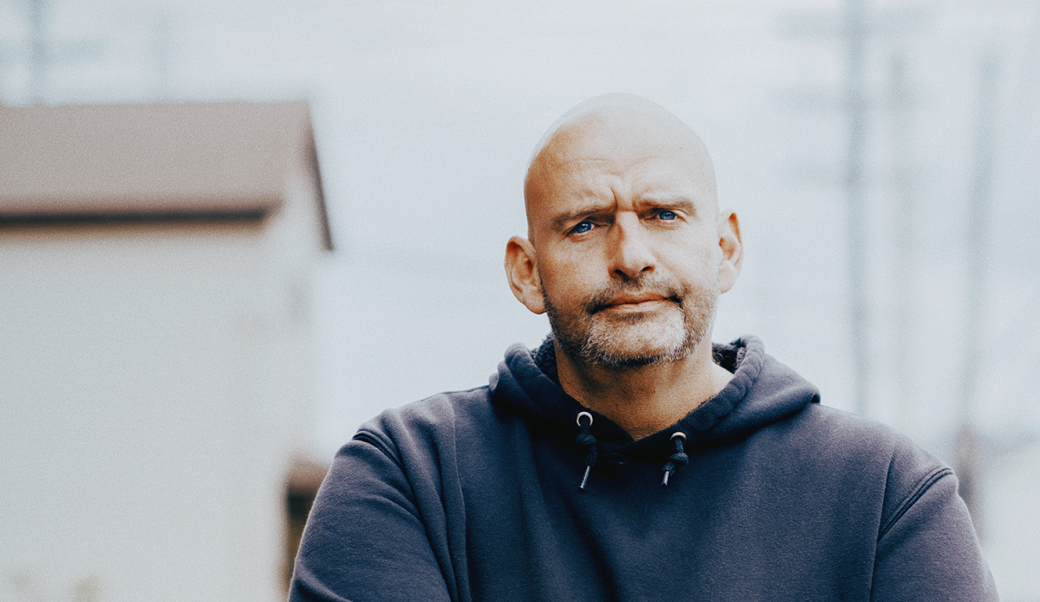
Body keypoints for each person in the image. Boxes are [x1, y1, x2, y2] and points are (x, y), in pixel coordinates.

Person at [289, 94, 998, 602]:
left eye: (663, 214)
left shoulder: (886, 498)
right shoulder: (411, 478)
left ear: (724, 248)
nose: (631, 255)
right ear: (526, 271)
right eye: (586, 224)